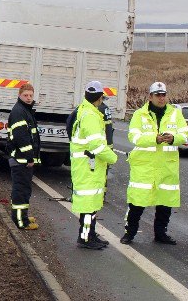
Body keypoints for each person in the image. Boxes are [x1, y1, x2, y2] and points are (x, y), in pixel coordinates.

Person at [121, 82, 188, 245]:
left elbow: (185, 134)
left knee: (165, 203)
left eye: (163, 95)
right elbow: (134, 137)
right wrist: (154, 139)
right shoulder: (140, 114)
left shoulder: (175, 113)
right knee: (137, 202)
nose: (161, 98)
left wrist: (173, 138)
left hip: (167, 167)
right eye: (157, 95)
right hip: (145, 167)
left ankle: (160, 234)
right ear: (150, 97)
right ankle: (129, 233)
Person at [70, 81, 118, 249]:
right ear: (99, 98)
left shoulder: (85, 111)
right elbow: (96, 145)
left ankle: (90, 235)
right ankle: (84, 238)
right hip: (88, 166)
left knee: (92, 204)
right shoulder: (90, 116)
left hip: (89, 166)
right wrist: (113, 158)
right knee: (89, 205)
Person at [7, 83, 41, 230]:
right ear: (19, 96)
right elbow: (21, 137)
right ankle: (20, 221)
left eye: (30, 95)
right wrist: (29, 157)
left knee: (24, 190)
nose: (28, 98)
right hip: (21, 159)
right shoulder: (19, 112)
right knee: (21, 191)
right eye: (25, 95)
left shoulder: (24, 110)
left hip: (22, 158)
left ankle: (22, 215)